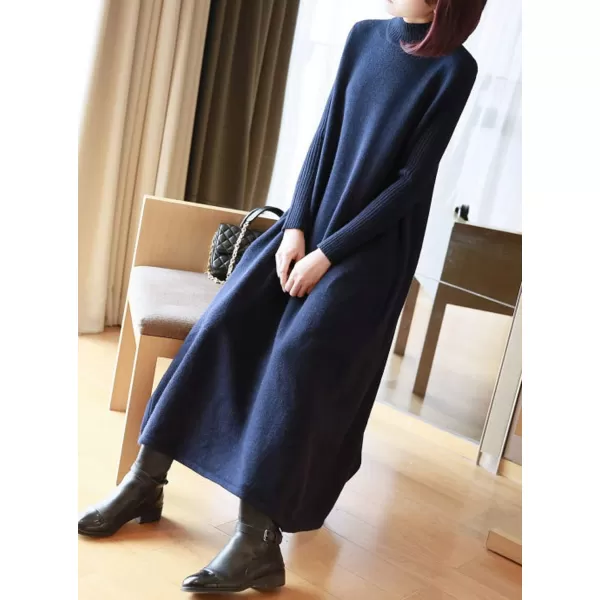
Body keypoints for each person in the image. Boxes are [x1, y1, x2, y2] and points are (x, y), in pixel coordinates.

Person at [79, 0, 485, 594]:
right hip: (309, 227)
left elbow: (410, 185)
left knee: (299, 355)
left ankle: (256, 542)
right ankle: (145, 481)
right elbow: (322, 139)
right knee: (222, 323)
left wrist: (329, 254)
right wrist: (294, 226)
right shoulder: (364, 37)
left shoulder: (454, 69)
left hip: (369, 251)